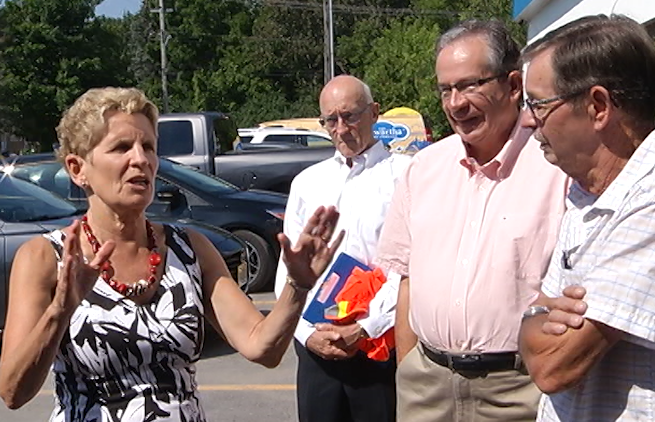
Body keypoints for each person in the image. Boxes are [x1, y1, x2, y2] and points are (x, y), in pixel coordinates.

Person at [0, 87, 345, 422]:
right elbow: (13, 392)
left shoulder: (190, 248)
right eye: (122, 147)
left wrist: (297, 287)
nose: (141, 159)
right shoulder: (44, 257)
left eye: (148, 146)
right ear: (78, 169)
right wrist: (60, 312)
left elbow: (262, 348)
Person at [373, 19, 570, 422]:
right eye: (446, 89)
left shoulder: (557, 165)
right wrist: (408, 366)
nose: (455, 103)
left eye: (469, 85)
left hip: (520, 388)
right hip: (427, 383)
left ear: (513, 86)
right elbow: (407, 277)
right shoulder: (424, 167)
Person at [517, 14, 655, 421]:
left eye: (538, 104)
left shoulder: (649, 201)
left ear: (597, 106)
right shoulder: (587, 191)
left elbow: (554, 366)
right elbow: (536, 320)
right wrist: (535, 319)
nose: (527, 121)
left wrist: (534, 325)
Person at [274, 74, 410, 422]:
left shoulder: (406, 176)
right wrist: (305, 334)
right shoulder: (308, 182)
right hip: (317, 349)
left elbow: (412, 268)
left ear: (374, 112)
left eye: (349, 116)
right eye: (330, 120)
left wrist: (366, 327)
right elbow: (286, 273)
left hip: (378, 347)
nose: (340, 128)